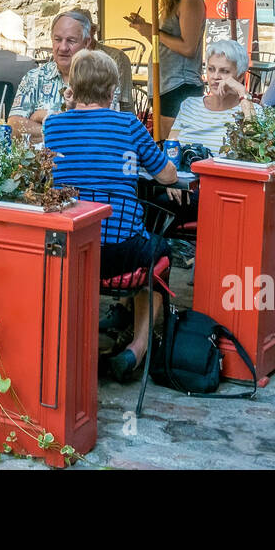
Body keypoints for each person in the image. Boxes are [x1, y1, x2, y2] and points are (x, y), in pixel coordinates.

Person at [42, 50, 177, 383]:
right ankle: (138, 346)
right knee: (161, 249)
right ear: (112, 90)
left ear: (71, 87)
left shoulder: (53, 125)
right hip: (122, 257)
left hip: (73, 251)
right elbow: (168, 176)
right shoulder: (127, 124)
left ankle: (90, 337)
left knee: (135, 240)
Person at [124, 0, 206, 139]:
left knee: (173, 149)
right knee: (164, 146)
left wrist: (154, 31)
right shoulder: (172, 2)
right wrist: (145, 30)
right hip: (164, 85)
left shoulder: (189, 0)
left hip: (179, 85)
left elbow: (188, 48)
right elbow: (164, 46)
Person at [8, 10, 115, 138]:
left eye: (71, 41)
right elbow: (14, 124)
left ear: (86, 42)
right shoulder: (35, 77)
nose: (63, 47)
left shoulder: (102, 77)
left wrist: (41, 117)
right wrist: (53, 124)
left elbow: (104, 127)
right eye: (58, 40)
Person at [170, 39, 259, 154]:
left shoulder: (251, 111)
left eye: (225, 71)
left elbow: (255, 149)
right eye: (211, 69)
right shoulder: (189, 105)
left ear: (241, 76)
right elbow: (170, 148)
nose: (215, 76)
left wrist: (242, 91)